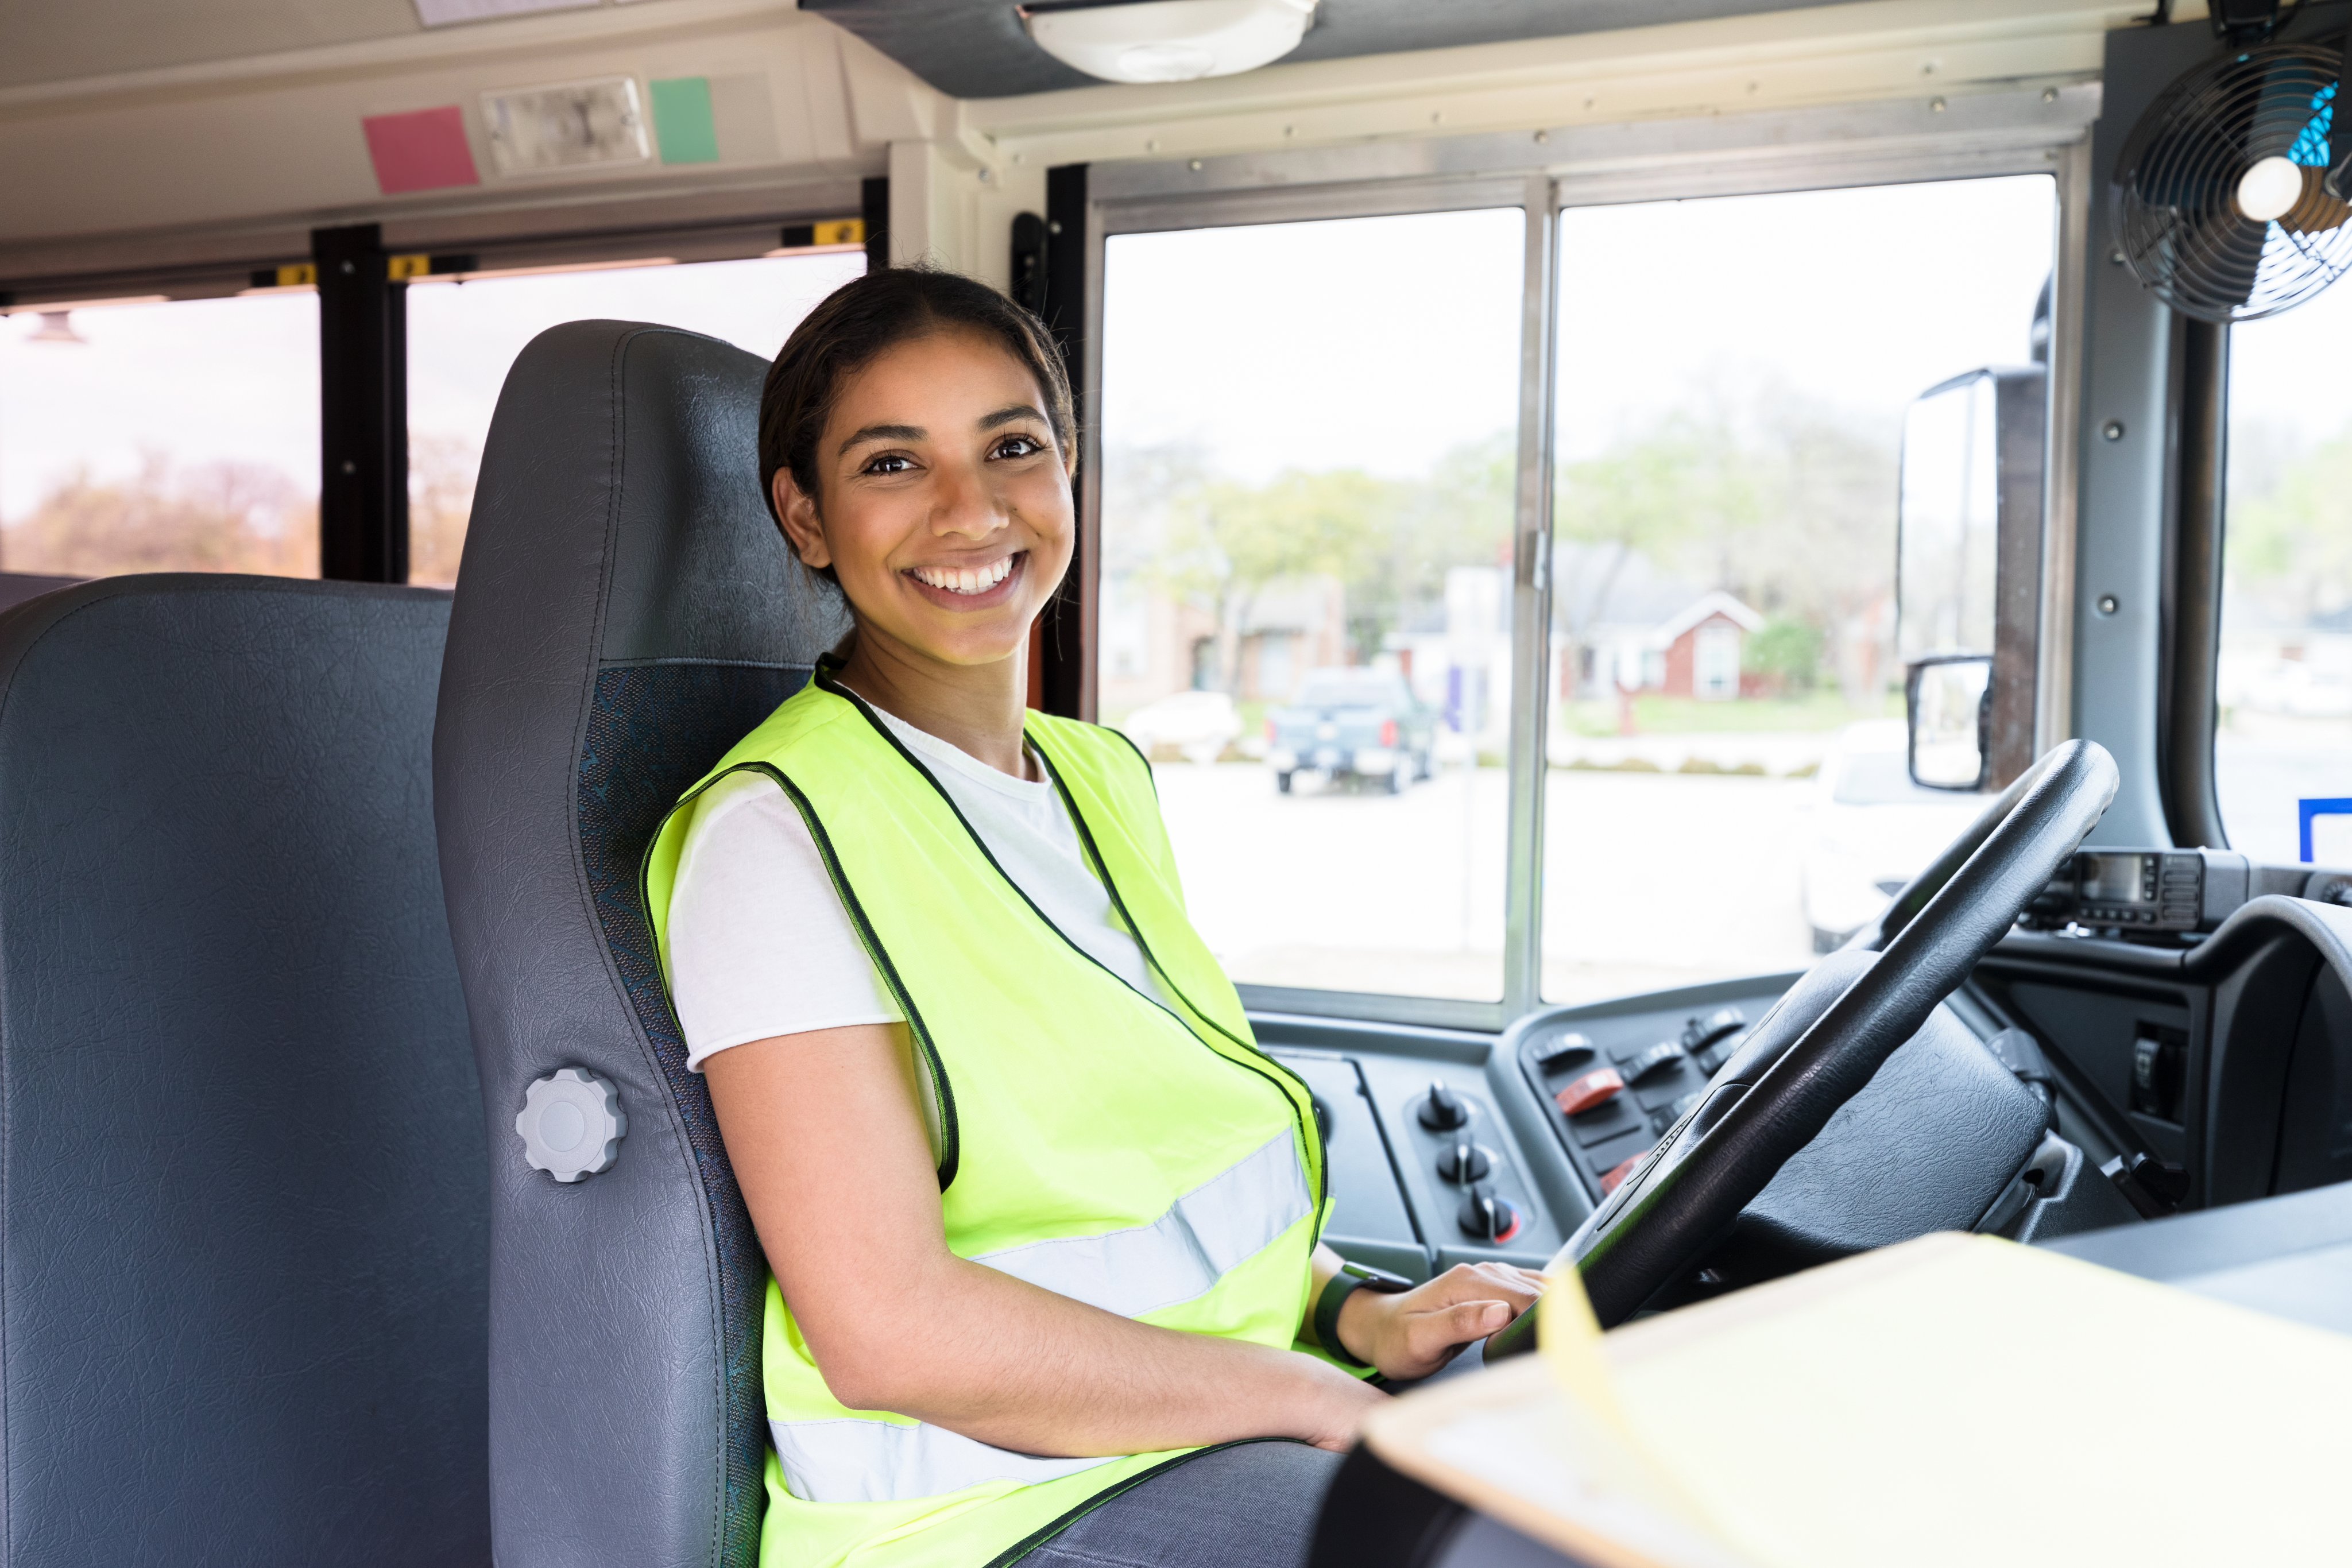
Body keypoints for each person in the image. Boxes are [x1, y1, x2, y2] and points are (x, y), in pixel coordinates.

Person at [643, 266, 1545, 1568]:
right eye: (892, 464)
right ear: (806, 517)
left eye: (1010, 446)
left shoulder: (1098, 777)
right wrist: (1307, 1397)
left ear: (1068, 471)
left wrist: (1351, 1314)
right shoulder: (773, 835)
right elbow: (885, 1324)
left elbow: (1148, 1168)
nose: (970, 510)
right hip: (977, 1519)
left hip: (1178, 1439)